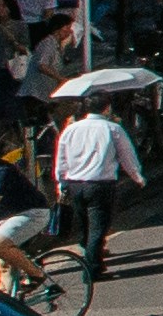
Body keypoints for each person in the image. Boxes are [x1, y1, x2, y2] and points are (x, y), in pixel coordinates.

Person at [47, 97, 137, 285]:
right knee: (98, 226)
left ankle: (90, 253)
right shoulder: (113, 129)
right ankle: (92, 267)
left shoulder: (70, 130)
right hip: (100, 184)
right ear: (107, 108)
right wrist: (137, 176)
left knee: (85, 223)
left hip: (75, 183)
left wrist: (61, 182)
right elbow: (127, 156)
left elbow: (61, 158)